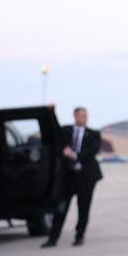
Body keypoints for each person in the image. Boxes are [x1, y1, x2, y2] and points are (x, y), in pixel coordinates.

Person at [44, 106, 103, 248]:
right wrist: (50, 112)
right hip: (68, 177)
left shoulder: (93, 134)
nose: (84, 118)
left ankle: (79, 235)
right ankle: (53, 238)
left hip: (86, 177)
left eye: (86, 115)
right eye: (81, 115)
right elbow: (53, 132)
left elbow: (93, 150)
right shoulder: (65, 131)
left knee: (83, 207)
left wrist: (75, 155)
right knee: (61, 207)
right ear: (75, 116)